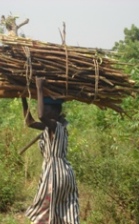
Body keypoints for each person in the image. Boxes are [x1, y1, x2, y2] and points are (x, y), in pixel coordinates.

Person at [21, 77, 80, 224]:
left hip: (55, 174)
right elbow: (30, 122)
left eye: (44, 107)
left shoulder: (54, 126)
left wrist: (40, 88)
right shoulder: (55, 126)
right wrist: (23, 97)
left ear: (53, 111)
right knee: (61, 210)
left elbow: (40, 116)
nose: (41, 110)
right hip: (64, 174)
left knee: (46, 210)